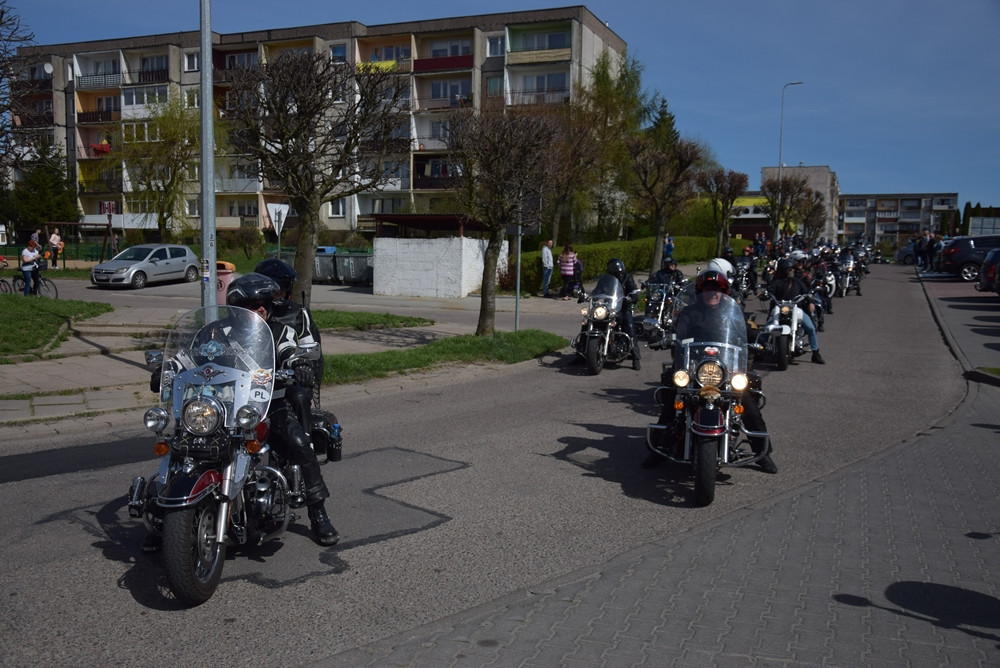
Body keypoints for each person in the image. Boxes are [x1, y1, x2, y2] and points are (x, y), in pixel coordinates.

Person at [653, 269, 777, 474]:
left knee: (749, 406)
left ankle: (763, 453)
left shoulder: (733, 314)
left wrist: (761, 339)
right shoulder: (690, 313)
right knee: (673, 401)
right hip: (695, 368)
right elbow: (678, 332)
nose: (712, 293)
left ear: (724, 292)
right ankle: (657, 448)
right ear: (700, 292)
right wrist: (665, 338)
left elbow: (747, 331)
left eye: (716, 289)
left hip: (726, 370)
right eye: (707, 289)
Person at [769, 258, 825, 364]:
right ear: (784, 270)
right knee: (767, 328)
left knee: (811, 328)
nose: (792, 270)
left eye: (793, 269)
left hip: (796, 308)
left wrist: (810, 301)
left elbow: (806, 292)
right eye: (790, 269)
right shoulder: (776, 282)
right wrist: (765, 294)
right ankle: (760, 350)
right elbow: (770, 291)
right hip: (779, 309)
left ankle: (815, 353)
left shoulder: (797, 282)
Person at [606, 258, 641, 367]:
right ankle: (581, 354)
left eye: (619, 267)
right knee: (589, 321)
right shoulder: (607, 278)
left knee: (630, 327)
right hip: (610, 307)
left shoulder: (627, 277)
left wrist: (633, 295)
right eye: (615, 268)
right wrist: (589, 296)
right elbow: (600, 289)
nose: (618, 270)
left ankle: (636, 357)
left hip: (623, 307)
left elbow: (632, 287)